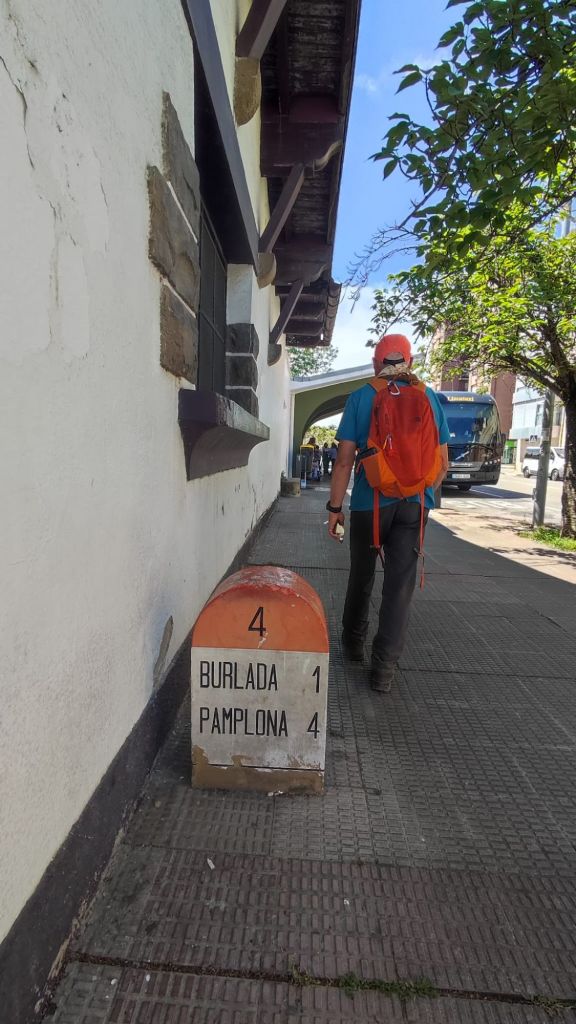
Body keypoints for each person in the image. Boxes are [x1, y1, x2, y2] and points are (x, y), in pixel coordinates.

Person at [326, 334, 449, 693]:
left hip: (370, 504)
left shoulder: (361, 397)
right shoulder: (428, 396)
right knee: (399, 586)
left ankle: (353, 643)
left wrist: (335, 508)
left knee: (362, 575)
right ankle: (383, 669)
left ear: (375, 364)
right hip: (415, 505)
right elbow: (442, 463)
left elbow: (344, 461)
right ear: (410, 361)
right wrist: (420, 493)